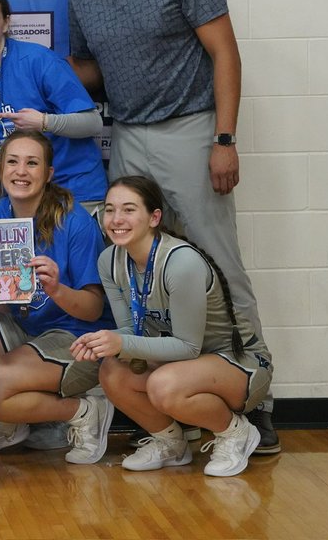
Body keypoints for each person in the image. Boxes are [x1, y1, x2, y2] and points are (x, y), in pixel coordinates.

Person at [67, 0, 277, 453]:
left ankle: (256, 402)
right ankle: (160, 404)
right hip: (129, 135)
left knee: (218, 261)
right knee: (133, 264)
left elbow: (225, 52)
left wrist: (224, 138)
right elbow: (89, 71)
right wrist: (20, 63)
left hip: (191, 127)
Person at [71, 176, 273, 477]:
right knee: (112, 372)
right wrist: (103, 339)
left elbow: (188, 347)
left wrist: (121, 343)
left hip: (239, 363)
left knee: (163, 384)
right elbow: (131, 330)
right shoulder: (109, 260)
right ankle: (170, 443)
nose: (116, 219)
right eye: (110, 210)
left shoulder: (180, 262)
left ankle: (234, 433)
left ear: (154, 217)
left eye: (128, 210)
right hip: (183, 365)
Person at [0, 131, 112, 464]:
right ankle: (12, 422)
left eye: (32, 163)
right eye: (13, 162)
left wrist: (56, 289)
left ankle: (85, 409)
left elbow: (93, 311)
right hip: (26, 332)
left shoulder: (74, 222)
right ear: (1, 168)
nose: (21, 171)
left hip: (77, 339)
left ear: (48, 173)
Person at [0, 0, 106, 211]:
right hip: (21, 202)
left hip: (75, 195)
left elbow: (93, 123)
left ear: (6, 23)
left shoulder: (37, 61)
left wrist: (44, 122)